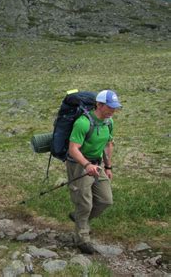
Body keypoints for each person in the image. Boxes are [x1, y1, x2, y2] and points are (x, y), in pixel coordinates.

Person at [66, 90, 122, 254]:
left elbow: (108, 144)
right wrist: (86, 165)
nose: (113, 110)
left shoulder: (108, 122)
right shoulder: (83, 122)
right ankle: (82, 239)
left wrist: (108, 166)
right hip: (79, 165)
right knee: (84, 203)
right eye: (110, 107)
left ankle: (79, 219)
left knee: (106, 200)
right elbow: (73, 149)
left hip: (97, 164)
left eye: (115, 107)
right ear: (99, 104)